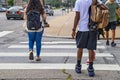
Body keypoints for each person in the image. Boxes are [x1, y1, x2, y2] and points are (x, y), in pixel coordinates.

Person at [71, 0, 103, 77]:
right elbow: (102, 6)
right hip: (93, 28)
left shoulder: (79, 2)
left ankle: (78, 66)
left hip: (82, 28)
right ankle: (91, 68)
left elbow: (77, 16)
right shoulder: (94, 0)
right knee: (91, 49)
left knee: (80, 48)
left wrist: (73, 29)